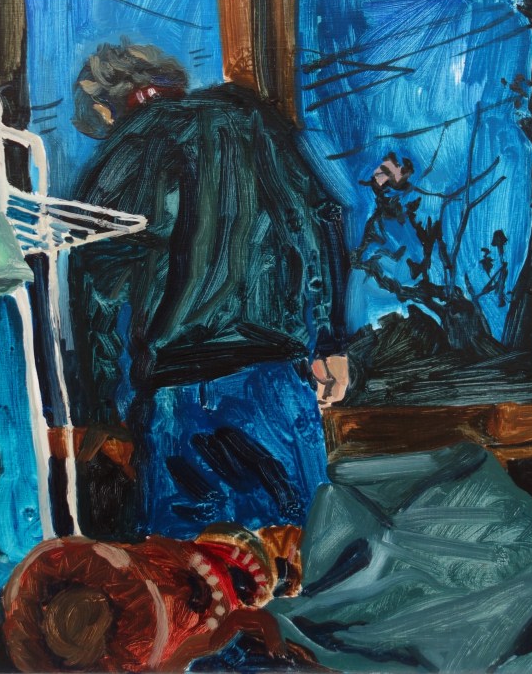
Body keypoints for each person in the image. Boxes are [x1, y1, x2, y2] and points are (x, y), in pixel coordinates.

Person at [67, 42, 349, 540]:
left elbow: (98, 287)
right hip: (274, 383)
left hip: (178, 396)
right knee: (299, 553)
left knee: (189, 569)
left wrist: (103, 409)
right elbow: (320, 219)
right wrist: (329, 341)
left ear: (106, 108)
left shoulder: (124, 150)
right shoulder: (255, 122)